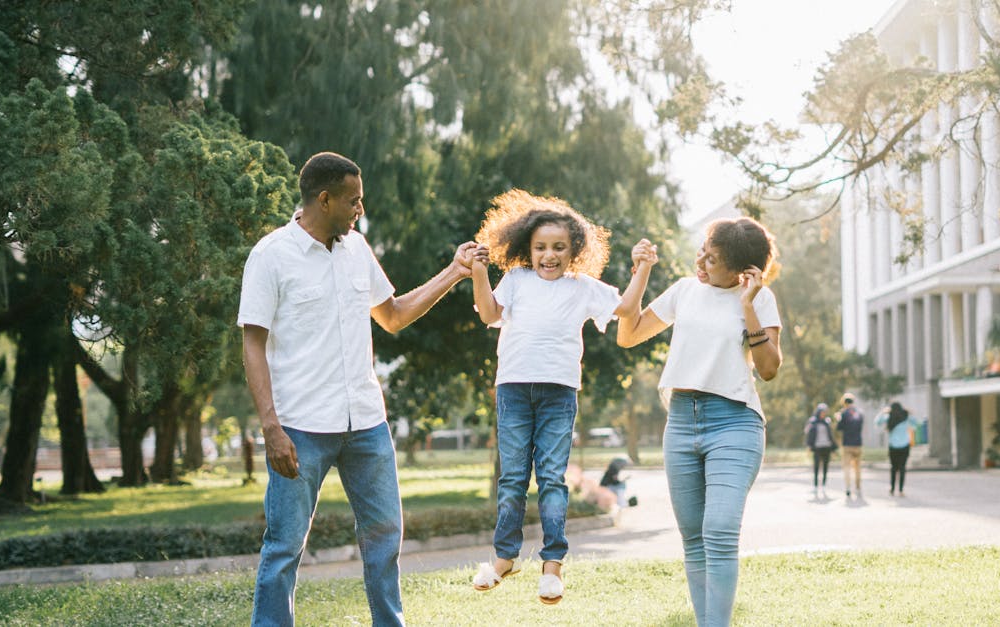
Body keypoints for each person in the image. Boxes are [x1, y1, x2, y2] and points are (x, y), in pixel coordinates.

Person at [238, 152, 485, 627]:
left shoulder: (357, 249)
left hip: (366, 424)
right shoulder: (271, 255)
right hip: (300, 427)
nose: (360, 210)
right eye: (354, 201)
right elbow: (253, 343)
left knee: (385, 536)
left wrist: (454, 272)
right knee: (285, 545)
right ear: (324, 198)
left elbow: (391, 316)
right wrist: (270, 427)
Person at [617, 217, 782, 627]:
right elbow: (629, 333)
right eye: (703, 250)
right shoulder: (685, 290)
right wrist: (641, 271)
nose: (702, 261)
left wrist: (747, 306)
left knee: (720, 530)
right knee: (694, 540)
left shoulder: (760, 299)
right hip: (681, 421)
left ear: (742, 271)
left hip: (735, 423)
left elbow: (769, 369)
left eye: (714, 258)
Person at [469, 189, 629, 605]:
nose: (549, 255)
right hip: (514, 391)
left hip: (559, 394)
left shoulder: (583, 287)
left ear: (575, 249)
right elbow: (489, 314)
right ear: (528, 248)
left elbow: (627, 307)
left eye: (559, 247)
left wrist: (643, 268)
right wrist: (478, 272)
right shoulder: (517, 279)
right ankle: (505, 558)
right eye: (540, 247)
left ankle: (552, 566)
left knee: (552, 479)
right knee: (512, 479)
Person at [875, 402, 923, 496]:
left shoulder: (889, 417)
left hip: (893, 446)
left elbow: (877, 422)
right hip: (905, 445)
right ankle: (901, 490)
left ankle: (892, 489)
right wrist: (911, 414)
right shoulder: (906, 416)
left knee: (893, 468)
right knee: (902, 468)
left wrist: (883, 412)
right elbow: (918, 423)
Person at [836, 392, 864, 498]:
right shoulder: (860, 413)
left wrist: (839, 418)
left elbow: (839, 428)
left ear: (844, 403)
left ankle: (848, 487)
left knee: (847, 467)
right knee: (857, 467)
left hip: (847, 444)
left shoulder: (844, 413)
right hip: (858, 443)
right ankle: (858, 487)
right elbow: (860, 427)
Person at [804, 403, 835, 497]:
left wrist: (833, 447)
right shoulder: (812, 421)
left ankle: (824, 486)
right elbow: (807, 432)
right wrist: (809, 445)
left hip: (826, 447)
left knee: (825, 467)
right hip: (817, 447)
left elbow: (830, 435)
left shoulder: (827, 421)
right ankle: (815, 486)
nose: (823, 414)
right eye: (822, 412)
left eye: (825, 412)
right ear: (818, 412)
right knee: (816, 467)